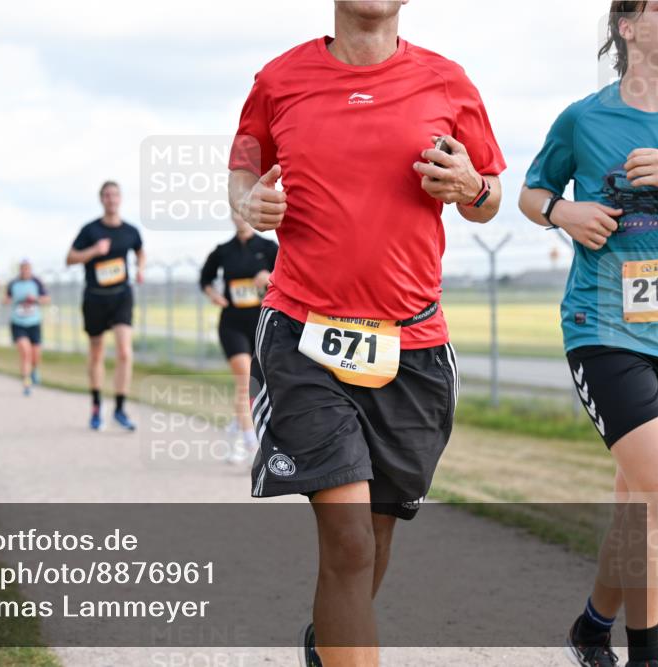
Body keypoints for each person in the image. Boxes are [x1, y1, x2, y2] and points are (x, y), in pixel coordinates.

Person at [228, 2, 506, 664]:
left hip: (412, 347)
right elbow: (245, 160)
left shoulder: (448, 82)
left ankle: (328, 642)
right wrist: (246, 199)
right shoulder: (278, 79)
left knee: (374, 541)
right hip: (305, 333)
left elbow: (490, 196)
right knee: (349, 540)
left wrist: (470, 184)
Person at [518, 3, 658, 665]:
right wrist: (564, 211)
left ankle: (589, 627)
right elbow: (529, 191)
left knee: (637, 505)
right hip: (605, 329)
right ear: (628, 26)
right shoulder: (583, 118)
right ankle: (647, 654)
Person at [199, 211, 278, 464]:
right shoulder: (223, 250)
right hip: (232, 323)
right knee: (245, 381)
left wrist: (269, 277)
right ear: (232, 216)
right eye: (236, 213)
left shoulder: (268, 247)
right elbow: (205, 279)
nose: (241, 218)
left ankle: (236, 426)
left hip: (261, 323)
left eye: (246, 213)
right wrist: (213, 295)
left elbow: (291, 276)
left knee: (263, 384)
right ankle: (251, 441)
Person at [67, 181, 146, 431]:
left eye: (115, 195)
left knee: (124, 352)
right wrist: (93, 251)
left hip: (121, 295)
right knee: (97, 352)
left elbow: (140, 251)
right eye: (107, 195)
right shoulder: (90, 230)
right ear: (101, 199)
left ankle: (120, 409)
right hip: (95, 297)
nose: (111, 199)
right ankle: (96, 406)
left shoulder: (130, 230)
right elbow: (70, 258)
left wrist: (140, 268)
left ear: (120, 199)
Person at [4, 259, 50, 396]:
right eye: (23, 269)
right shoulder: (13, 283)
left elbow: (47, 299)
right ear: (20, 270)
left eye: (27, 269)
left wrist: (34, 299)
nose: (25, 272)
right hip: (18, 323)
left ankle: (34, 369)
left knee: (35, 355)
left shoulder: (36, 282)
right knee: (25, 352)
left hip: (34, 322)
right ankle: (26, 383)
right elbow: (5, 299)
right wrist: (12, 300)